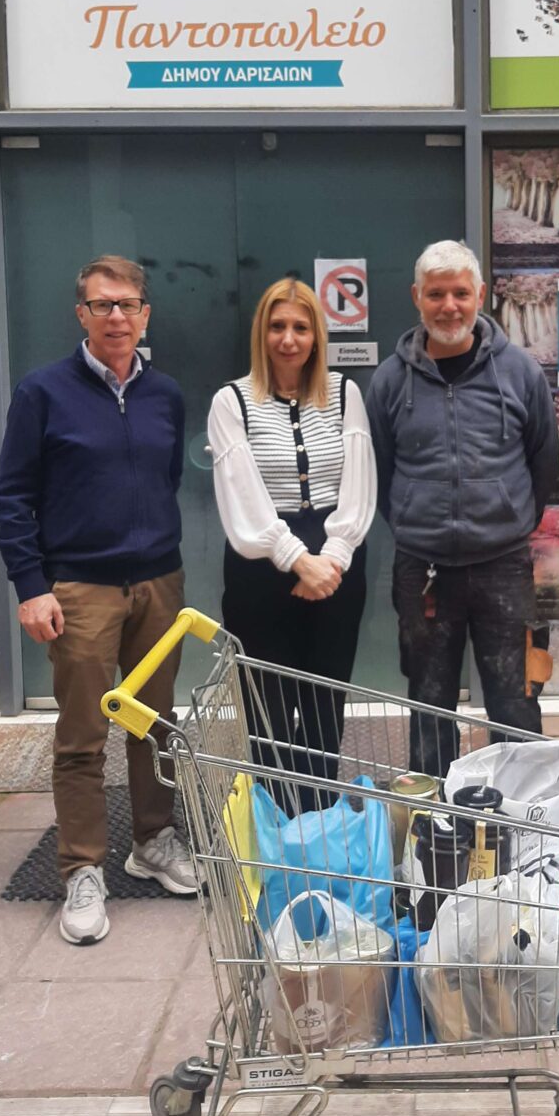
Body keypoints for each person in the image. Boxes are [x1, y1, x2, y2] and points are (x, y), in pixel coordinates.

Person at [0, 255, 195, 946]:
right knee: (82, 735)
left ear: (145, 315)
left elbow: (167, 479)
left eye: (127, 304)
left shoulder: (165, 394)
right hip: (79, 588)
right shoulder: (42, 392)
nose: (115, 316)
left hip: (159, 583)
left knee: (156, 724)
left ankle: (152, 842)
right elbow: (13, 496)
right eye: (102, 305)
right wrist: (31, 586)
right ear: (81, 314)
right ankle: (82, 868)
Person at [365, 240, 558, 775]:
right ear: (416, 298)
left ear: (480, 295)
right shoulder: (389, 380)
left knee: (515, 704)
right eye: (436, 294)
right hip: (422, 571)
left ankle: (520, 816)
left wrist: (507, 521)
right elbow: (379, 470)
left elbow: (544, 462)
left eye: (460, 293)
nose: (449, 306)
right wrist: (417, 521)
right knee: (430, 705)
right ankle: (434, 819)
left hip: (504, 567)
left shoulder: (520, 371)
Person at [208, 277, 375, 812]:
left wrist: (332, 559)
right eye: (277, 326)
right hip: (261, 569)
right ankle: (277, 828)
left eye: (300, 327)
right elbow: (241, 491)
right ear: (261, 333)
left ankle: (318, 824)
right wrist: (297, 561)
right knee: (269, 713)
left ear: (316, 335)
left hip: (337, 564)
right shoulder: (231, 400)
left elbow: (359, 481)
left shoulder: (345, 394)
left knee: (325, 708)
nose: (288, 339)